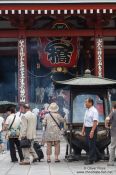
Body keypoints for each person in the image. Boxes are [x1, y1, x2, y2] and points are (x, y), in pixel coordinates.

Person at [81, 98, 99, 165]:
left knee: (91, 144)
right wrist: (83, 129)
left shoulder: (94, 111)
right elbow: (85, 120)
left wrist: (92, 131)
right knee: (88, 143)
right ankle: (98, 156)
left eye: (86, 102)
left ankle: (91, 159)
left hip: (92, 128)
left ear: (90, 103)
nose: (85, 103)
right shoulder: (87, 110)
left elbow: (95, 121)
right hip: (87, 128)